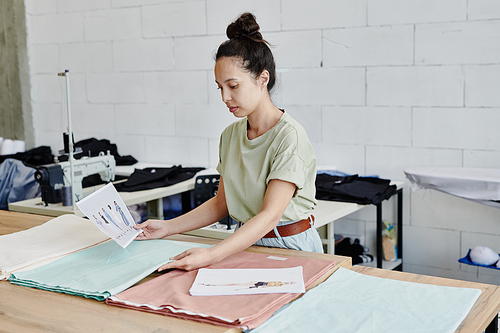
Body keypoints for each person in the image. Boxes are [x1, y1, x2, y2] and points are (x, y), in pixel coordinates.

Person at [134, 12, 322, 271]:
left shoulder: (289, 137)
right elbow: (222, 204)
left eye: (233, 86)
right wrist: (168, 227)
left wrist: (211, 255)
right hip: (246, 243)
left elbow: (269, 217)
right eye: (219, 87)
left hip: (291, 247)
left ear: (262, 79)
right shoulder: (231, 136)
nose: (225, 97)